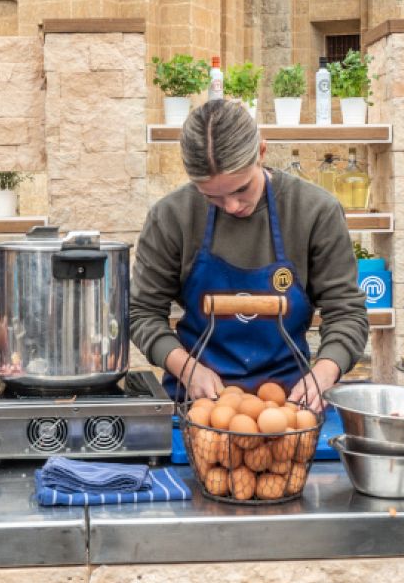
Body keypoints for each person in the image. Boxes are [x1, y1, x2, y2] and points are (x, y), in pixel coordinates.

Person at [130, 99, 368, 409]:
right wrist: (187, 369)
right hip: (196, 405)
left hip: (290, 403)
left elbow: (346, 312)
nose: (231, 206)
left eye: (242, 189)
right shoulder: (172, 216)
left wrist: (323, 373)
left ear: (262, 152)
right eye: (212, 197)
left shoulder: (314, 211)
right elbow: (141, 313)